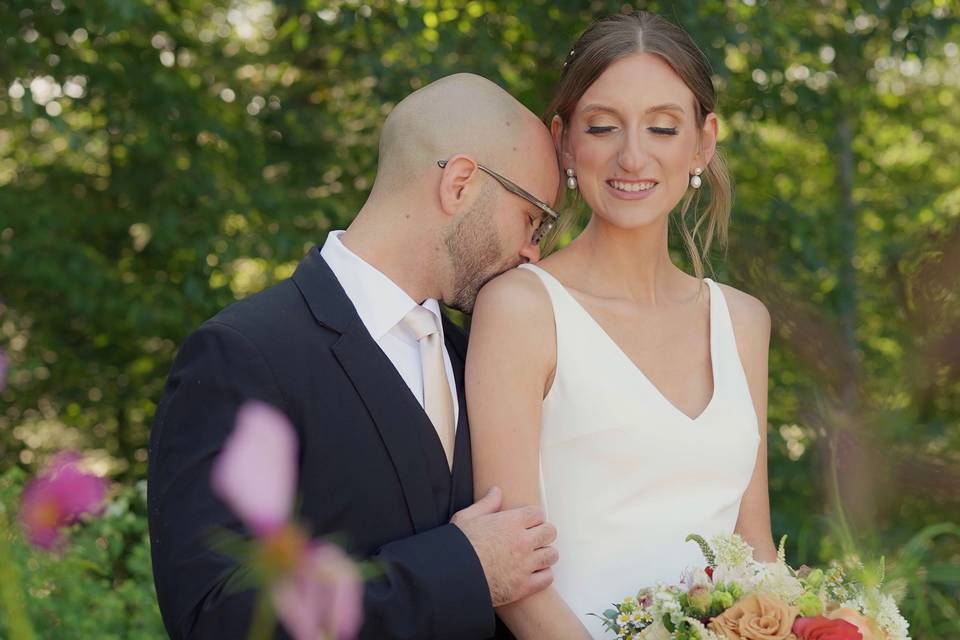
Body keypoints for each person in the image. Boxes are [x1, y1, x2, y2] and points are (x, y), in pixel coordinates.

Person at [148, 73, 562, 639]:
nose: (533, 251)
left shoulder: (481, 362)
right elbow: (214, 616)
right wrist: (463, 568)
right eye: (534, 217)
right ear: (461, 184)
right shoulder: (244, 355)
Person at [466, 11, 778, 638]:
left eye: (662, 128)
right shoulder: (523, 309)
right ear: (564, 140)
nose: (632, 156)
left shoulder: (742, 321)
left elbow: (757, 553)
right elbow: (515, 582)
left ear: (703, 141)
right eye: (603, 127)